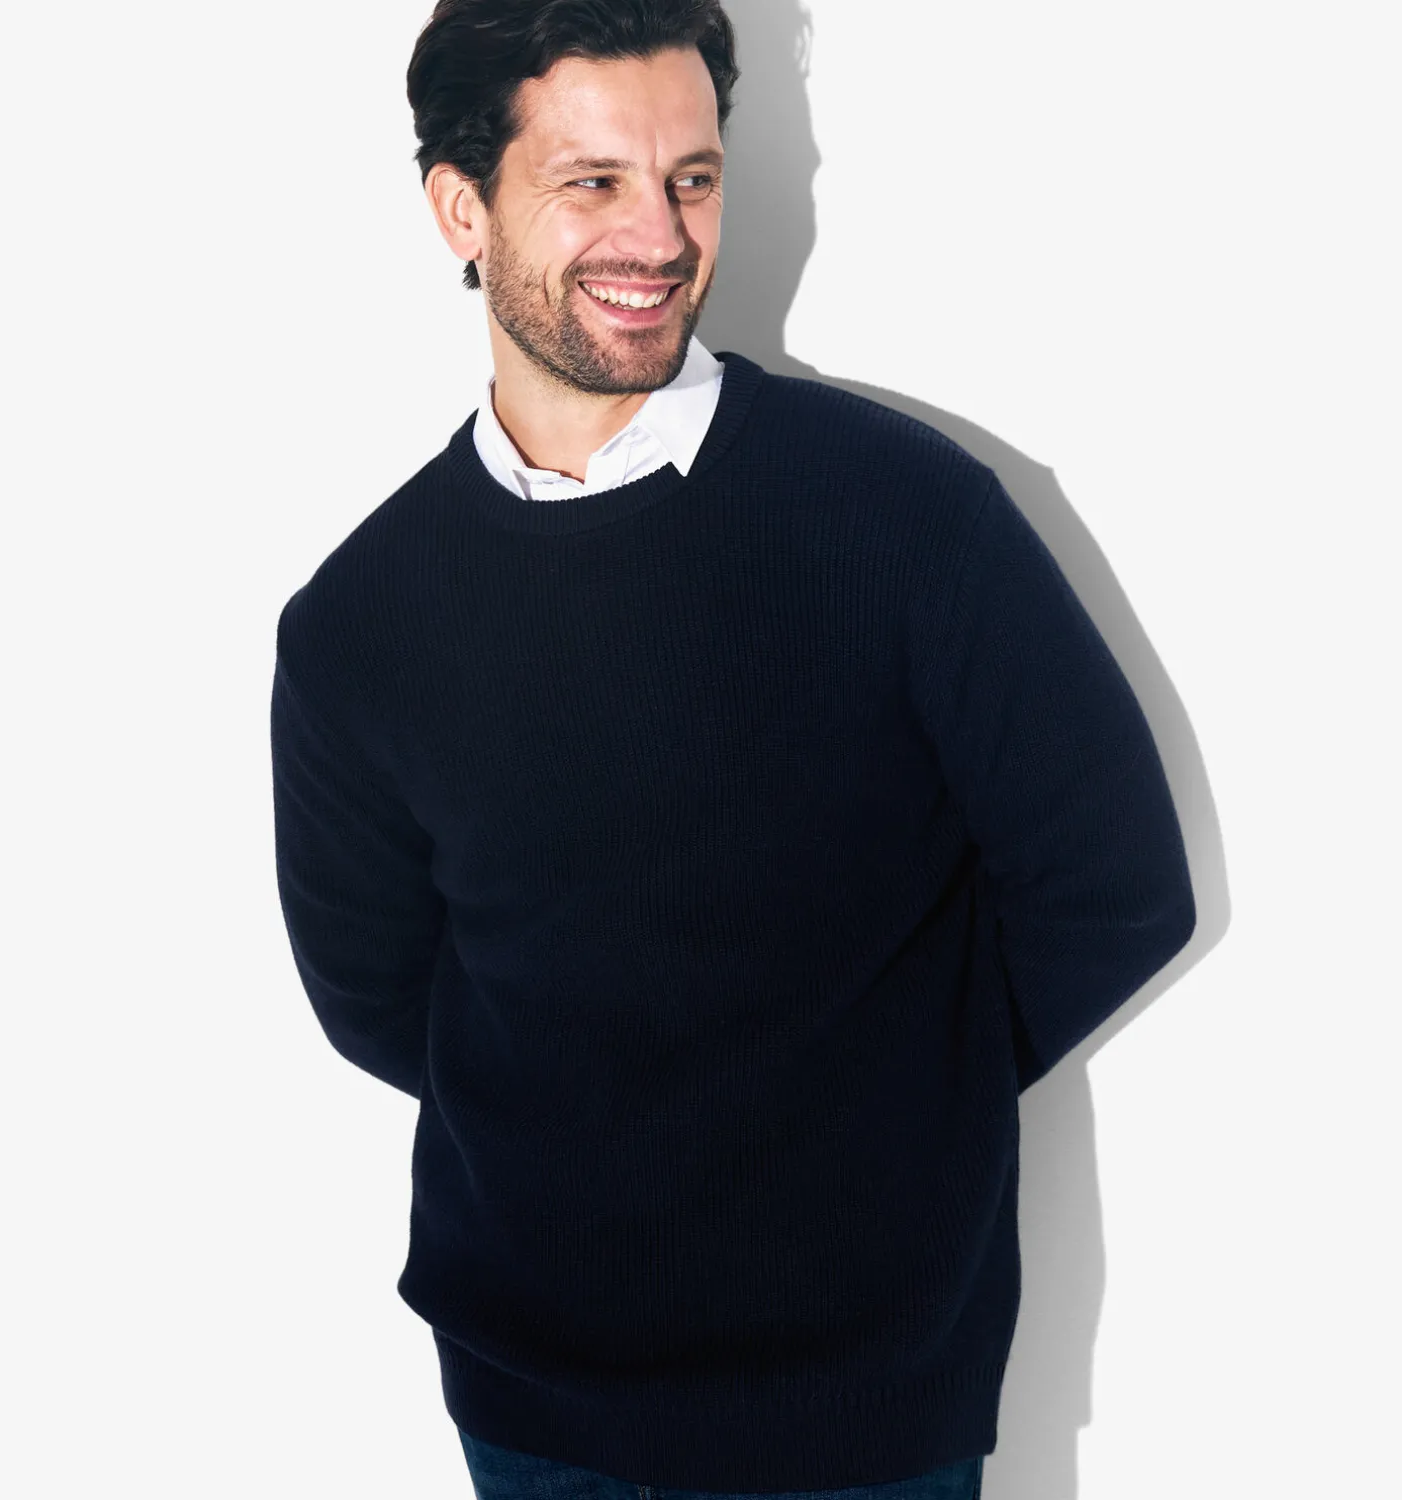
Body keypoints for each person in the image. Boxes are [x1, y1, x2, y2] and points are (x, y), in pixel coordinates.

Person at [268, 2, 1197, 1497]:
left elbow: (1115, 889)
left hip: (861, 1416)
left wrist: (882, 1107)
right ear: (460, 208)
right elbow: (378, 1000)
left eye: (690, 178)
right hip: (529, 1413)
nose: (660, 236)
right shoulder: (359, 622)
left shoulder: (910, 518)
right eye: (593, 181)